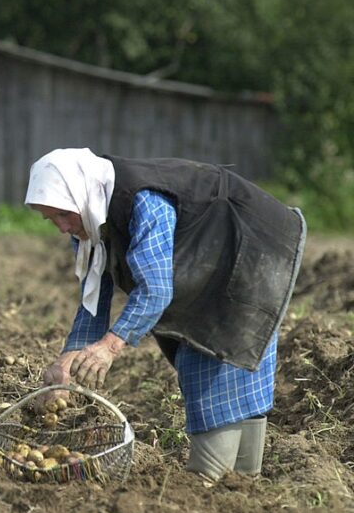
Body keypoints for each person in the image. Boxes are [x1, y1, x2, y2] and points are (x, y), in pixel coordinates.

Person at [25, 147, 306, 482]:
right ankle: (242, 483)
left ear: (79, 195)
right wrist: (68, 362)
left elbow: (155, 290)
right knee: (209, 360)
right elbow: (94, 299)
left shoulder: (143, 201)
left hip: (245, 250)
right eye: (51, 219)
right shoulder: (89, 222)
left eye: (62, 214)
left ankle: (209, 480)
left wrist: (110, 346)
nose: (61, 227)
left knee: (211, 358)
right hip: (204, 266)